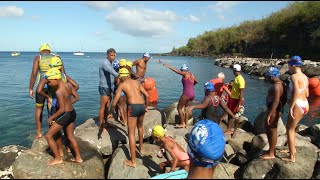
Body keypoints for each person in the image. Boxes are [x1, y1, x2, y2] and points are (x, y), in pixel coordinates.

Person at [37, 56, 79, 155]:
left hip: (54, 106)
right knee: (67, 127)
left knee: (55, 130)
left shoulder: (47, 76)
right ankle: (69, 148)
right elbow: (76, 86)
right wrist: (68, 98)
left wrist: (48, 97)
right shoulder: (63, 75)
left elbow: (39, 90)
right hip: (66, 107)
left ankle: (60, 151)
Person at [107, 68, 149, 168]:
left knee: (131, 134)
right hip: (142, 106)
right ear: (129, 75)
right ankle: (141, 148)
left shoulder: (122, 85)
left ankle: (133, 161)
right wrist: (146, 107)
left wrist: (110, 112)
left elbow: (115, 101)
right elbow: (147, 95)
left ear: (120, 77)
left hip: (133, 108)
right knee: (140, 127)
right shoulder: (137, 82)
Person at [43, 68, 82, 165]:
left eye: (49, 81)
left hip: (65, 115)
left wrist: (51, 118)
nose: (48, 84)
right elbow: (77, 97)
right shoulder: (68, 85)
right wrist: (68, 103)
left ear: (56, 79)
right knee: (70, 137)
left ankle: (58, 158)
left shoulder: (59, 91)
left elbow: (62, 110)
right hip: (72, 112)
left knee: (48, 136)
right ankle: (78, 158)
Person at [29, 43, 64, 139]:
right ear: (49, 50)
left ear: (40, 51)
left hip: (42, 86)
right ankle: (55, 131)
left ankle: (39, 132)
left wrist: (31, 88)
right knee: (54, 108)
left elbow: (34, 73)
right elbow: (62, 73)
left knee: (39, 109)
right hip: (54, 86)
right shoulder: (56, 57)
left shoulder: (38, 57)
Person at [281, 56, 309, 163]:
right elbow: (307, 93)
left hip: (297, 105)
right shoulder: (305, 77)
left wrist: (292, 106)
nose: (288, 67)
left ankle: (292, 157)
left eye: (289, 65)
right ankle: (290, 150)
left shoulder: (294, 77)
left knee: (290, 129)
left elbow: (297, 91)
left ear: (293, 65)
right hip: (305, 104)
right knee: (291, 127)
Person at [260, 67, 287, 160]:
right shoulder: (281, 84)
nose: (266, 79)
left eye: (267, 77)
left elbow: (276, 101)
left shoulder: (277, 86)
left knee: (272, 130)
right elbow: (285, 99)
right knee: (268, 129)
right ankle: (271, 150)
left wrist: (270, 113)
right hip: (275, 110)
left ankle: (271, 153)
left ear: (272, 77)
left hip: (274, 111)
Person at [163, 63, 198, 128]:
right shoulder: (191, 74)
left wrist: (169, 66)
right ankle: (186, 124)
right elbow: (196, 81)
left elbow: (177, 71)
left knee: (179, 108)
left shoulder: (185, 73)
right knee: (187, 108)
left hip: (186, 93)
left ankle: (182, 123)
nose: (181, 71)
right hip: (192, 93)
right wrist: (190, 86)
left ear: (183, 70)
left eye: (182, 70)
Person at [98, 48, 118, 131]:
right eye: (111, 55)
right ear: (107, 55)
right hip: (104, 87)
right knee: (103, 106)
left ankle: (105, 121)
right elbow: (112, 72)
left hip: (110, 87)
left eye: (114, 55)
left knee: (107, 105)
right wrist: (122, 76)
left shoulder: (110, 62)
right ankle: (100, 124)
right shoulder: (105, 63)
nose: (113, 57)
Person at [225, 64, 245, 138]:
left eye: (233, 70)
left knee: (237, 116)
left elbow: (241, 93)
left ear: (235, 70)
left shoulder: (241, 79)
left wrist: (239, 105)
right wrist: (230, 84)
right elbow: (235, 83)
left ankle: (235, 131)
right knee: (230, 114)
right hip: (233, 98)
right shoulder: (237, 78)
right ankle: (228, 129)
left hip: (237, 100)